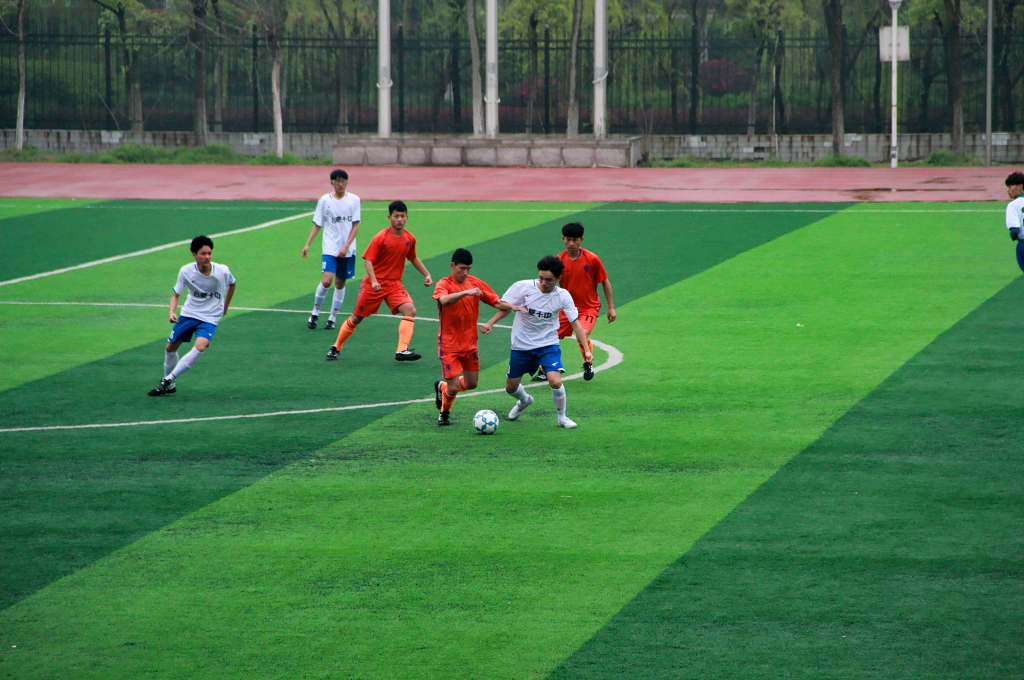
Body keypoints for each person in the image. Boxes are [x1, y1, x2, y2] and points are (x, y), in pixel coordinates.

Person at [481, 255, 592, 429]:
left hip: (548, 345)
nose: (543, 282)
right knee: (511, 388)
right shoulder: (523, 287)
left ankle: (562, 417)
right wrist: (490, 322)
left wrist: (586, 351)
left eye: (549, 280)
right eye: (541, 277)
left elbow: (576, 325)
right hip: (521, 346)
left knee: (555, 381)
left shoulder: (563, 296)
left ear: (558, 278)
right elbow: (505, 307)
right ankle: (525, 400)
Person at [326, 200, 432, 362]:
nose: (399, 219)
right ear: (389, 217)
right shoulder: (381, 238)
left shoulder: (409, 239)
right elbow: (368, 260)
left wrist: (426, 274)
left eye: (402, 216)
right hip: (373, 285)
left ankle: (402, 350)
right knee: (357, 318)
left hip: (394, 285)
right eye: (396, 216)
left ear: (407, 218)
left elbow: (413, 257)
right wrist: (374, 281)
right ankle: (336, 346)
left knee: (410, 310)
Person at [431, 248, 523, 426]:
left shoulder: (474, 283)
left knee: (472, 384)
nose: (465, 273)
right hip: (448, 345)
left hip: (470, 344)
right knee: (454, 387)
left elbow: (495, 301)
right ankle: (444, 413)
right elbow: (444, 300)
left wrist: (511, 306)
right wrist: (466, 292)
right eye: (462, 269)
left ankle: (441, 387)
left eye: (468, 269)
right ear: (452, 266)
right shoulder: (444, 284)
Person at [148, 235, 236, 396]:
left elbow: (232, 283)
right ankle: (170, 384)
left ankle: (167, 379)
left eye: (209, 253)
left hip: (211, 316)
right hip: (190, 313)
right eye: (203, 253)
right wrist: (172, 312)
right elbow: (175, 294)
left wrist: (225, 306)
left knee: (200, 346)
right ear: (194, 255)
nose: (207, 257)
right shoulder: (186, 271)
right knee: (170, 348)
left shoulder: (222, 271)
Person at [533, 221, 615, 382]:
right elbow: (549, 283)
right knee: (547, 335)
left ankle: (587, 362)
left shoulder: (592, 259)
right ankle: (545, 369)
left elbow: (604, 281)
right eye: (568, 239)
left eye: (575, 240)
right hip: (564, 308)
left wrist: (611, 307)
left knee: (581, 333)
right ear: (563, 239)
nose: (571, 243)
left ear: (581, 240)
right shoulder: (558, 261)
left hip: (588, 307)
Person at [302, 168, 360, 331]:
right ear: (332, 183)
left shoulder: (354, 200)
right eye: (337, 181)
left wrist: (346, 246)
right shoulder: (324, 201)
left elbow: (356, 225)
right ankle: (315, 313)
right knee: (327, 280)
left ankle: (333, 317)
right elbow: (318, 224)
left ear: (347, 183)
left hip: (347, 249)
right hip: (330, 247)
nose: (340, 184)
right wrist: (308, 244)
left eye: (343, 181)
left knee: (340, 283)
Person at [1005, 171, 1024, 273]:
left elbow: (1014, 230)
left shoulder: (1013, 205)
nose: (1008, 191)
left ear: (1019, 187)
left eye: (1010, 187)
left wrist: (1014, 236)